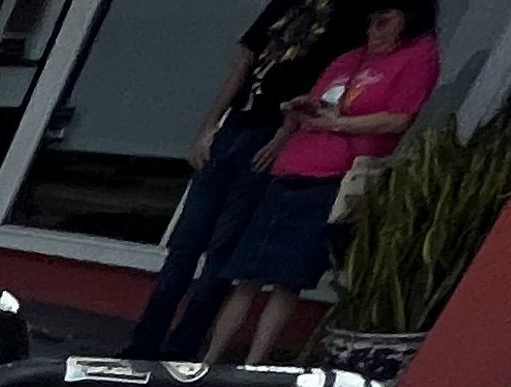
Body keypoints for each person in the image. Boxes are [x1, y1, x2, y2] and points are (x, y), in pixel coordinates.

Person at [204, 0, 440, 367]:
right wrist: (300, 112)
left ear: (406, 20)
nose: (372, 30)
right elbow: (319, 99)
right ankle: (211, 358)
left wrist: (338, 124)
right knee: (244, 275)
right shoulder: (350, 58)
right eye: (369, 22)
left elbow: (397, 120)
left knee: (287, 282)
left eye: (383, 21)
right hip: (291, 168)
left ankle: (254, 364)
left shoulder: (418, 56)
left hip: (332, 179)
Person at [130, 0, 353, 360]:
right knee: (185, 244)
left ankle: (182, 350)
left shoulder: (349, 16)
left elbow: (327, 87)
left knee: (222, 249)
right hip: (233, 128)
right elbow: (243, 64)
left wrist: (283, 136)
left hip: (269, 133)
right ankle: (143, 346)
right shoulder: (284, 6)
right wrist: (208, 127)